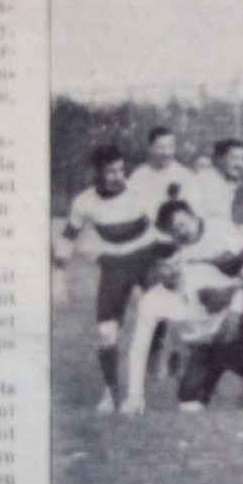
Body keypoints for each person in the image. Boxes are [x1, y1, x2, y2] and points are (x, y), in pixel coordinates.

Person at [136, 199, 243, 414]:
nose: (181, 232)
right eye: (174, 230)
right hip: (227, 292)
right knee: (227, 341)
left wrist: (232, 292)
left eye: (183, 223)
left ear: (193, 215)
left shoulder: (219, 228)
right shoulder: (181, 253)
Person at [52, 145, 165, 415]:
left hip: (147, 258)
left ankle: (155, 354)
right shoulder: (84, 202)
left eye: (120, 169)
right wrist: (58, 274)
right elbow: (68, 236)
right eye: (110, 171)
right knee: (106, 333)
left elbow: (165, 226)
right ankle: (111, 392)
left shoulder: (140, 193)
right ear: (97, 173)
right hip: (115, 265)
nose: (118, 176)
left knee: (155, 311)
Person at [120, 242, 243, 415]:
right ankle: (206, 386)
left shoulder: (201, 273)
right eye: (166, 267)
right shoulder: (152, 301)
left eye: (177, 262)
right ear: (154, 269)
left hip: (232, 338)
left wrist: (234, 317)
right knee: (188, 404)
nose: (175, 270)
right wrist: (135, 395)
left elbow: (237, 290)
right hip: (202, 350)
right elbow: (139, 347)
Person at [130, 126, 193, 216]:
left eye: (170, 146)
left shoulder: (185, 175)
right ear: (150, 148)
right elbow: (132, 209)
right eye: (160, 147)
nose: (166, 152)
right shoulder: (138, 176)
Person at [187, 138, 243, 221]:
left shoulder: (229, 184)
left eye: (242, 158)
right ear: (219, 159)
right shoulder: (201, 183)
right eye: (234, 158)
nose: (240, 164)